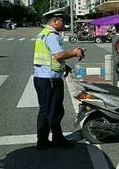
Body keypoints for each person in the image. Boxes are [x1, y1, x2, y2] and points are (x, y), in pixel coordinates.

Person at [33, 15, 85, 150]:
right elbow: (58, 55)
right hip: (50, 79)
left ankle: (43, 140)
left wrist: (64, 67)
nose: (65, 24)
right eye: (63, 21)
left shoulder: (42, 34)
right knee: (54, 110)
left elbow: (51, 58)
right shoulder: (51, 35)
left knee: (46, 110)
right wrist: (75, 53)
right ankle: (56, 139)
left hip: (41, 77)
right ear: (55, 22)